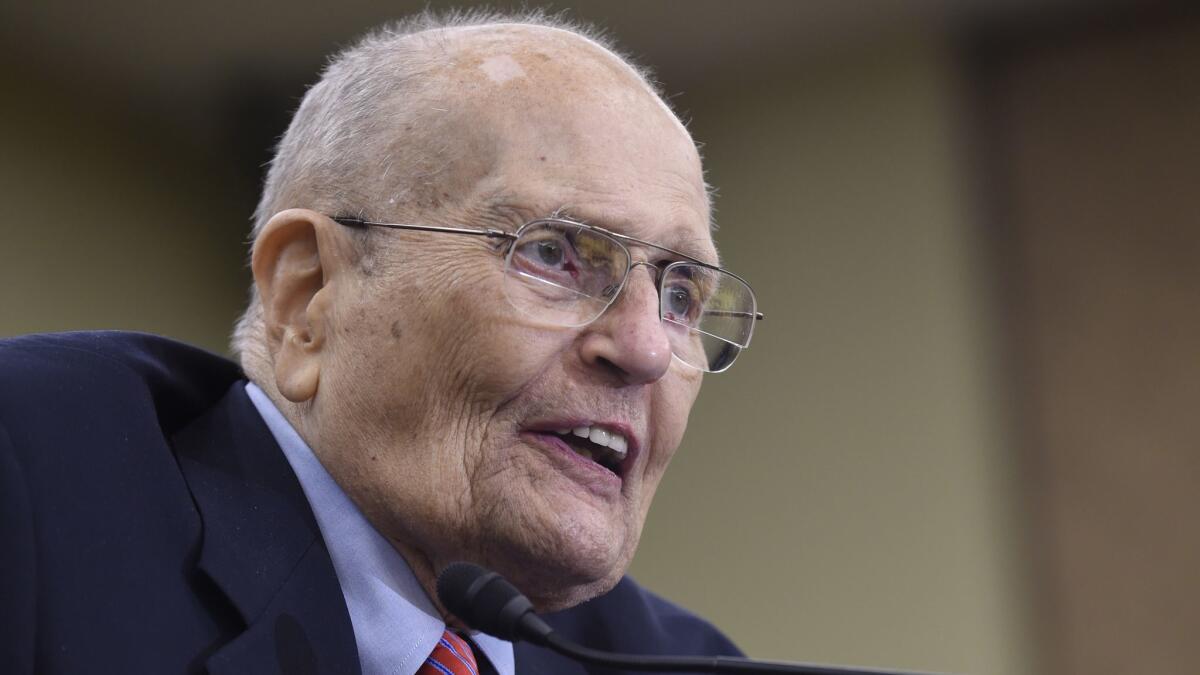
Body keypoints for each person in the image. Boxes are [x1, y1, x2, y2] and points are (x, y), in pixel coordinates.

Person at [0, 10, 761, 675]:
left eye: (680, 295)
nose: (645, 348)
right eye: (555, 253)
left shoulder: (678, 659)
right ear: (308, 296)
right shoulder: (34, 482)